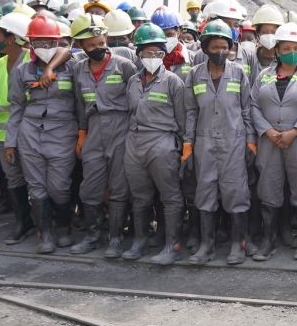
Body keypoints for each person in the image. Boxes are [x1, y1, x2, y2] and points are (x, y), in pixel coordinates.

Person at [184, 19, 256, 266]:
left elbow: (247, 110)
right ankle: (207, 245)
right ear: (205, 48)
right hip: (203, 142)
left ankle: (238, 245)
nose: (220, 52)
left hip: (234, 141)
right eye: (215, 47)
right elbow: (191, 112)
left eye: (224, 47)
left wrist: (251, 142)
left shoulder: (239, 73)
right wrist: (187, 146)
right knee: (204, 191)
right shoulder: (194, 75)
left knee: (236, 192)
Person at [5, 15, 80, 254]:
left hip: (63, 133)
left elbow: (69, 52)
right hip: (30, 133)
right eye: (40, 43)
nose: (45, 47)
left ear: (58, 42)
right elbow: (17, 107)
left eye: (51, 42)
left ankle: (64, 228)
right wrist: (10, 142)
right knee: (36, 187)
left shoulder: (73, 67)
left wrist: (50, 67)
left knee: (59, 186)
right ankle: (46, 234)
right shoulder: (22, 70)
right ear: (31, 44)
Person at [119, 23, 190, 266]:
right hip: (134, 142)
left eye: (158, 53)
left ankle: (173, 245)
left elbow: (182, 120)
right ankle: (140, 241)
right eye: (147, 53)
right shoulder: (132, 81)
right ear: (138, 54)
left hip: (162, 142)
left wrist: (182, 149)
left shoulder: (173, 82)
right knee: (140, 195)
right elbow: (130, 112)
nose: (152, 57)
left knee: (170, 195)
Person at [252, 22, 297, 262]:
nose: (292, 52)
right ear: (277, 50)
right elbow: (253, 106)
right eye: (286, 48)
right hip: (269, 141)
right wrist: (267, 130)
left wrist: (295, 131)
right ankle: (268, 241)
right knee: (269, 188)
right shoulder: (264, 76)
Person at [69, 14, 138, 257]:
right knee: (90, 186)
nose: (98, 48)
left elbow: (137, 101)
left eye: (101, 42)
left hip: (121, 126)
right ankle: (93, 236)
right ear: (79, 45)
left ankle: (116, 238)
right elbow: (80, 105)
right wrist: (82, 135)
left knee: (119, 186)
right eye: (91, 45)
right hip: (94, 128)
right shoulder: (79, 69)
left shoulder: (124, 66)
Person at [0, 13, 34, 244]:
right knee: (13, 178)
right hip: (4, 135)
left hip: (32, 132)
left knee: (38, 178)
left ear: (11, 38)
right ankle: (23, 223)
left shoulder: (33, 61)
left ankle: (49, 222)